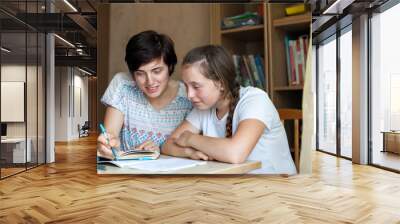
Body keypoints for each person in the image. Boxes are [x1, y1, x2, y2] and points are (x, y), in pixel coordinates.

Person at [162, 45, 297, 174]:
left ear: (220, 83)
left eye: (196, 86)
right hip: (236, 187)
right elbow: (167, 145)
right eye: (186, 86)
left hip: (275, 188)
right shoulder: (203, 107)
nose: (189, 95)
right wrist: (189, 152)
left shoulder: (255, 99)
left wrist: (190, 139)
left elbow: (235, 154)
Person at [97, 30, 192, 159]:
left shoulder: (188, 96)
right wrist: (109, 145)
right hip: (128, 174)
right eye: (140, 73)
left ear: (170, 66)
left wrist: (159, 150)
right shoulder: (123, 85)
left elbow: (188, 146)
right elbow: (111, 133)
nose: (150, 82)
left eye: (156, 71)